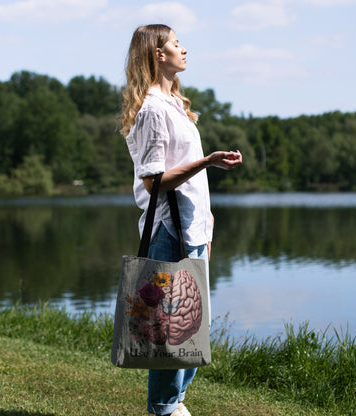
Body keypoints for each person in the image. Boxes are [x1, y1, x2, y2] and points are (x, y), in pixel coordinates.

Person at [121, 24, 242, 416]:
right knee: (168, 330)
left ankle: (173, 403)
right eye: (176, 44)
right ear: (159, 53)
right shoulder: (154, 110)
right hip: (169, 232)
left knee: (190, 328)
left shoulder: (174, 105)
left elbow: (188, 182)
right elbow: (154, 180)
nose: (183, 49)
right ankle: (164, 406)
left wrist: (205, 224)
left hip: (190, 230)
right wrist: (207, 161)